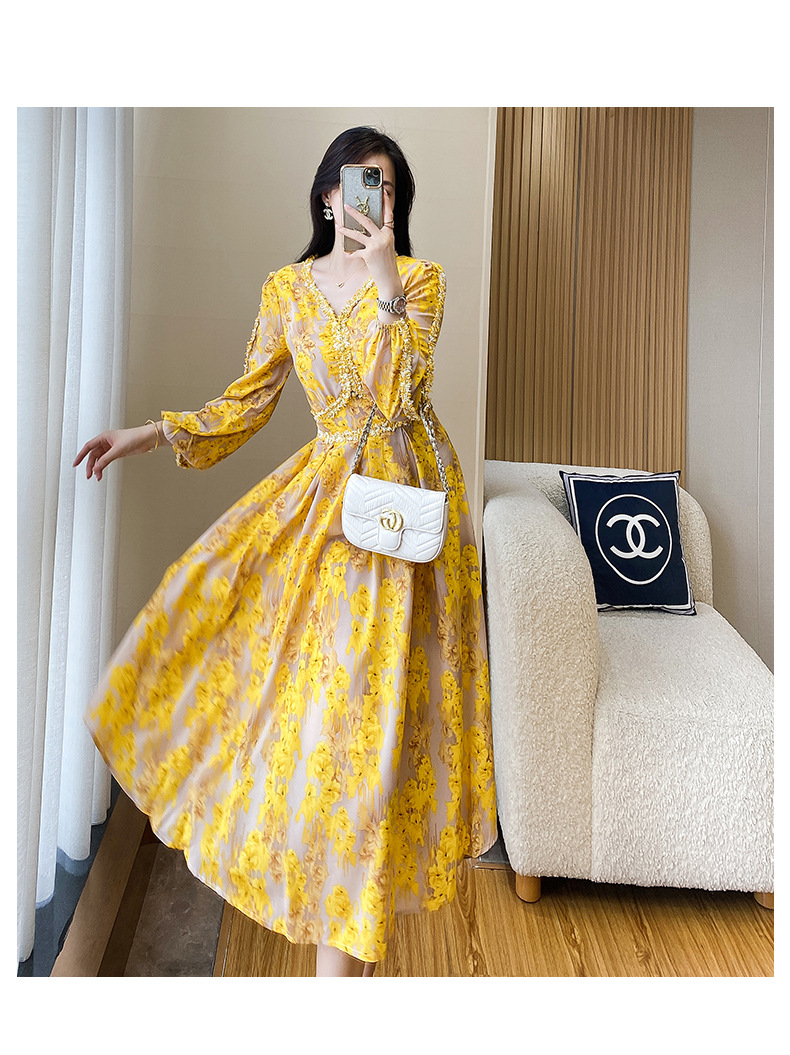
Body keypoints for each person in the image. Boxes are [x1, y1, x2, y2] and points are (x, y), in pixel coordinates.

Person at [74, 126, 497, 978]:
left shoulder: (420, 281)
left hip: (411, 521)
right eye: (360, 183)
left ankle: (342, 966)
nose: (372, 199)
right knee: (339, 738)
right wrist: (152, 433)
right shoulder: (287, 290)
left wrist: (385, 284)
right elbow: (249, 401)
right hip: (330, 515)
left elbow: (397, 398)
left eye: (387, 188)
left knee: (384, 747)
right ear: (328, 195)